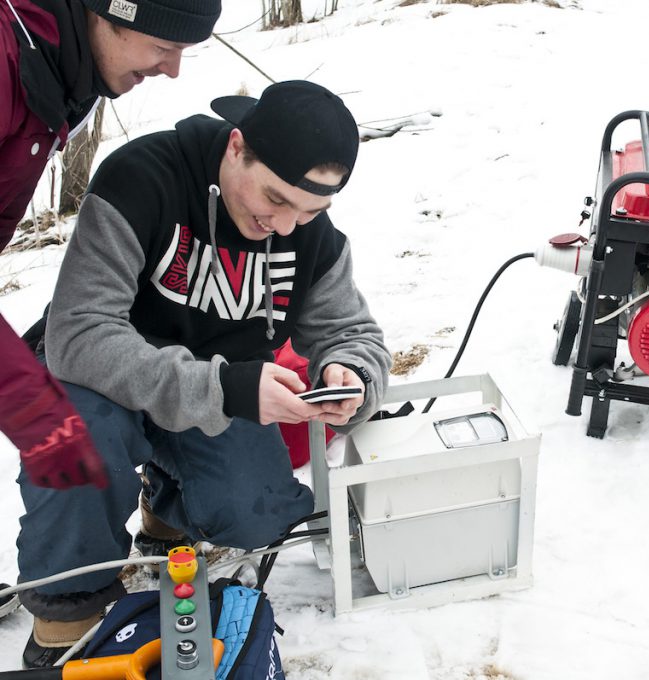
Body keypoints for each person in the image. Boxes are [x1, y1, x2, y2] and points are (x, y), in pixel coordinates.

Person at [17, 79, 392, 668]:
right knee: (82, 451)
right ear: (237, 147)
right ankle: (65, 619)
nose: (287, 225)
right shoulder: (142, 179)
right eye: (276, 199)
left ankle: (165, 509)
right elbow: (80, 333)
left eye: (311, 210)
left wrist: (352, 374)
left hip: (211, 394)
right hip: (98, 379)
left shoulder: (307, 235)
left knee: (255, 510)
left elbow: (354, 334)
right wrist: (223, 387)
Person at [1, 0, 223, 493]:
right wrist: (34, 410)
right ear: (109, 13)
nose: (172, 69)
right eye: (164, 46)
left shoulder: (58, 70)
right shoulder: (7, 60)